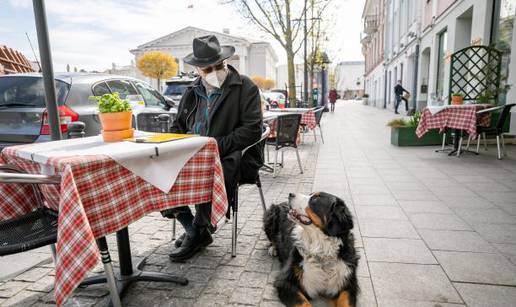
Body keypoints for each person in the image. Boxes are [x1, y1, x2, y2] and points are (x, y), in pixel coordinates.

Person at [161, 35, 263, 262]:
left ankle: (199, 226)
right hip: (191, 152)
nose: (214, 71)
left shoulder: (244, 87)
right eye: (208, 69)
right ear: (198, 69)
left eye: (219, 65)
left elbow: (252, 130)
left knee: (214, 170)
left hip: (229, 154)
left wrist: (213, 146)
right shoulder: (191, 91)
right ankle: (193, 229)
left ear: (225, 61)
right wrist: (173, 144)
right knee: (160, 170)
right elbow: (177, 125)